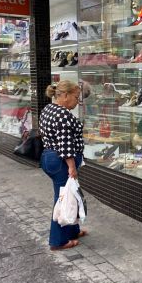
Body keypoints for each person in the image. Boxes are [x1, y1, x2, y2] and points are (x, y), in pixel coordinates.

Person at [40, 80, 86, 251]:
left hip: (49, 157)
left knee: (70, 194)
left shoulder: (49, 109)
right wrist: (72, 167)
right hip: (61, 161)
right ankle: (58, 241)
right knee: (62, 199)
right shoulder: (63, 115)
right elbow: (65, 145)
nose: (77, 101)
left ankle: (73, 230)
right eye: (76, 97)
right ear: (65, 95)